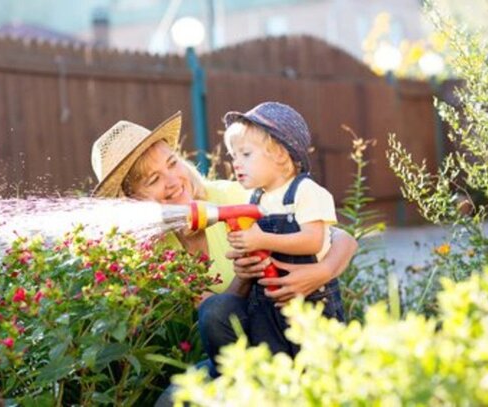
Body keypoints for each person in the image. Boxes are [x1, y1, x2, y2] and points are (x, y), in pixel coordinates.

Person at [90, 111, 357, 404]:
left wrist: (322, 272)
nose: (173, 181)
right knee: (172, 401)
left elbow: (342, 239)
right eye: (153, 179)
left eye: (172, 163)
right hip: (238, 354)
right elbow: (215, 316)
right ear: (133, 199)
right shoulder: (155, 253)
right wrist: (244, 277)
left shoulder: (232, 196)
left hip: (296, 329)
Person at [198, 101, 345, 364]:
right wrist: (243, 252)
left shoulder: (305, 191)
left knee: (318, 363)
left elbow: (313, 240)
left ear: (279, 154)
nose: (236, 164)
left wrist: (261, 239)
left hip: (310, 300)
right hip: (266, 304)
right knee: (279, 366)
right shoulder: (255, 199)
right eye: (233, 156)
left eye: (245, 154)